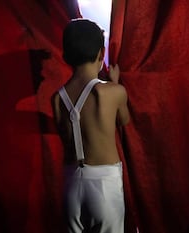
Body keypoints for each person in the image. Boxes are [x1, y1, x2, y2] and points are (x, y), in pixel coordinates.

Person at [51, 19, 130, 233]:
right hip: (104, 184)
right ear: (101, 53)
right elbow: (124, 121)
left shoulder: (57, 99)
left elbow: (63, 133)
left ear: (66, 57)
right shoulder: (112, 92)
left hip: (71, 186)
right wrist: (114, 81)